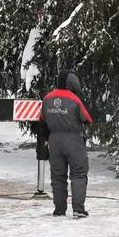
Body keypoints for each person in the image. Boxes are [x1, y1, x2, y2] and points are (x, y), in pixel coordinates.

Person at [40, 69, 92, 218]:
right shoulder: (75, 99)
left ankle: (59, 209)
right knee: (79, 173)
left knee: (57, 176)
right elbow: (87, 118)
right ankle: (78, 209)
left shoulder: (47, 98)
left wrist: (48, 137)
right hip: (74, 140)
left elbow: (41, 120)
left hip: (54, 141)